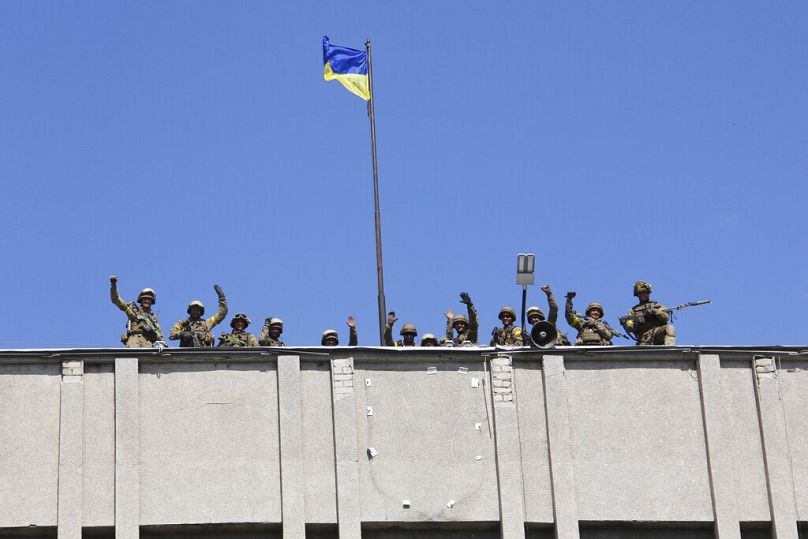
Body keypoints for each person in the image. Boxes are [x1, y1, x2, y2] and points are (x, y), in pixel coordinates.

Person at [109, 275, 164, 348]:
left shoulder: (153, 320)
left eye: (149, 299)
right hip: (134, 340)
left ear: (152, 302)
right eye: (144, 299)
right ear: (140, 301)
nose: (147, 301)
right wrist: (113, 284)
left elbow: (160, 338)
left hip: (148, 343)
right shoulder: (134, 312)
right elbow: (116, 300)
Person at [620, 280, 676, 345]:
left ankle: (669, 349)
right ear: (637, 295)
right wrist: (636, 321)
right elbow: (630, 328)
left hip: (657, 333)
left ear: (648, 293)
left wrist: (654, 311)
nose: (641, 294)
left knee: (670, 328)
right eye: (639, 293)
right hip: (643, 338)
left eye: (643, 292)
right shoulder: (633, 311)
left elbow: (666, 317)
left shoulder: (656, 305)